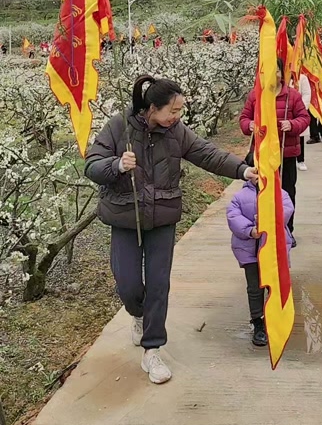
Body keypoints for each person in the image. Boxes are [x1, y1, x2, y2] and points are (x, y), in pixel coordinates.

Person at [85, 75, 256, 385]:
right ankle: (137, 314)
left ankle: (152, 350)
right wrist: (116, 166)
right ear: (152, 108)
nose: (177, 117)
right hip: (125, 216)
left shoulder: (175, 131)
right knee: (128, 285)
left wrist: (242, 169)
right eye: (173, 111)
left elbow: (206, 153)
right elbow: (91, 165)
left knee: (159, 284)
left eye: (179, 112)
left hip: (162, 217)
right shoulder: (118, 126)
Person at [239, 59, 310, 247]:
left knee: (287, 192)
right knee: (262, 192)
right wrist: (250, 125)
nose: (273, 75)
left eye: (277, 71)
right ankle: (262, 229)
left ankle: (287, 231)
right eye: (269, 71)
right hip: (262, 156)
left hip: (286, 154)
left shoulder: (292, 96)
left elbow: (304, 117)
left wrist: (292, 124)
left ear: (282, 73)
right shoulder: (256, 96)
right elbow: (244, 118)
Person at [226, 154, 294, 347]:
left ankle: (276, 317)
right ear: (248, 174)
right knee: (255, 288)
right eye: (256, 171)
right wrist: (250, 230)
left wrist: (269, 219)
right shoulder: (240, 197)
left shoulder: (280, 193)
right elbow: (233, 216)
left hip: (273, 250)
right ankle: (257, 321)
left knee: (274, 284)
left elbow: (287, 210)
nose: (261, 176)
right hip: (249, 251)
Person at [297, 71, 311, 171]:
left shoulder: (302, 78)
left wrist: (301, 108)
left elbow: (307, 94)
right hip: (283, 112)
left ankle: (300, 160)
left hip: (298, 111)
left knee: (299, 138)